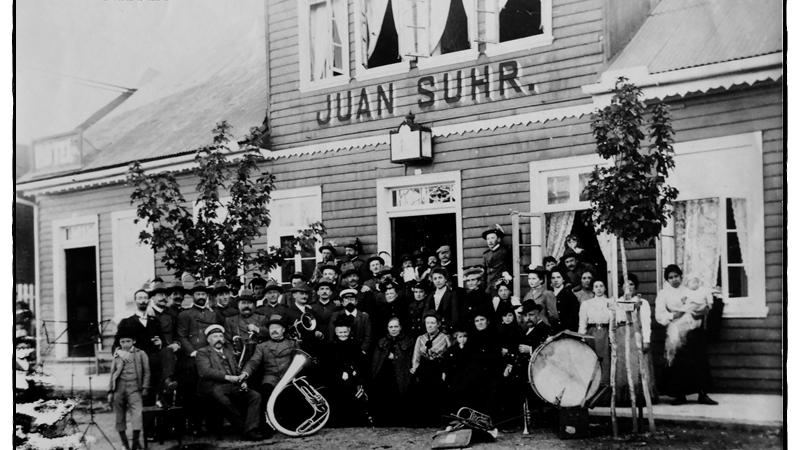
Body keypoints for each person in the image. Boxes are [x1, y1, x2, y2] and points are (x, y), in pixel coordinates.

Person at [655, 264, 717, 405]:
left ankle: (702, 394)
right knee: (679, 362)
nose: (674, 280)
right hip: (676, 328)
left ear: (681, 276)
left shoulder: (689, 289)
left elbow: (700, 302)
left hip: (693, 326)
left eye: (676, 276)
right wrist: (673, 315)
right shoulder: (664, 293)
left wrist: (700, 310)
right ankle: (680, 395)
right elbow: (659, 315)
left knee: (698, 360)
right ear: (667, 280)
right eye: (670, 277)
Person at [195, 325, 264, 441]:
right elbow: (205, 372)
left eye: (221, 336)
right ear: (208, 340)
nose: (218, 339)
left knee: (255, 396)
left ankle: (250, 429)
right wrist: (228, 377)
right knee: (222, 397)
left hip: (232, 386)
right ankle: (243, 429)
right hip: (213, 387)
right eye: (214, 336)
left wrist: (243, 381)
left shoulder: (228, 352)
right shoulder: (202, 352)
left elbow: (237, 370)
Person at [176, 279, 223, 431]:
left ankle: (212, 424)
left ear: (207, 296)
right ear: (193, 296)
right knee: (193, 391)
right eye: (198, 293)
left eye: (203, 293)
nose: (201, 296)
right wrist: (192, 351)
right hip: (193, 357)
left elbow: (219, 334)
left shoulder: (213, 314)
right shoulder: (185, 314)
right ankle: (194, 424)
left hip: (210, 356)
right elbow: (182, 336)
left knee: (213, 389)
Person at [241, 314, 299, 432]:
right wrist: (245, 373)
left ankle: (292, 423)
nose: (274, 330)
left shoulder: (293, 343)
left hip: (289, 377)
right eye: (271, 328)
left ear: (283, 330)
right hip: (270, 378)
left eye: (277, 328)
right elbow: (253, 362)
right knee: (266, 393)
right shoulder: (262, 346)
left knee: (294, 394)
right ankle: (269, 424)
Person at [113, 285, 164, 407]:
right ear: (135, 301)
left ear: (149, 301)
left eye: (145, 298)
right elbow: (116, 344)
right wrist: (119, 351)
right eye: (140, 298)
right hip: (135, 361)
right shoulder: (127, 322)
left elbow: (162, 340)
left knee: (152, 392)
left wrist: (160, 342)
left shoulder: (154, 321)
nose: (143, 300)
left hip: (152, 360)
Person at [616, 273, 658, 405]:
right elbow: (616, 320)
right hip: (622, 334)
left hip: (636, 334)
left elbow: (646, 322)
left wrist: (646, 339)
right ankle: (625, 397)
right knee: (624, 365)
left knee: (638, 365)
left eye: (631, 284)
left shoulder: (642, 302)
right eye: (626, 284)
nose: (628, 287)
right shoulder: (618, 302)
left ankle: (641, 396)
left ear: (636, 286)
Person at [108, 324, 150, 450]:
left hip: (134, 388)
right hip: (119, 387)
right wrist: (110, 390)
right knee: (119, 416)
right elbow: (112, 373)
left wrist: (145, 387)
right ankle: (125, 443)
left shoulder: (141, 354)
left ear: (134, 341)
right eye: (122, 341)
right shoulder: (117, 355)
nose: (125, 344)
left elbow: (147, 372)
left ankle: (135, 444)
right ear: (119, 342)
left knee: (137, 415)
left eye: (128, 341)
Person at [323, 315, 370, 427]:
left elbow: (360, 362)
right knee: (337, 401)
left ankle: (353, 422)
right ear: (336, 332)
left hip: (352, 379)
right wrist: (340, 373)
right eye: (340, 332)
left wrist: (354, 372)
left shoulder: (356, 345)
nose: (343, 335)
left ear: (349, 331)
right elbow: (328, 364)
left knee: (354, 400)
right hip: (336, 380)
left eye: (345, 332)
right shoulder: (330, 346)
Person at [370, 317, 414, 426]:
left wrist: (396, 358)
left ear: (400, 328)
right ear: (387, 328)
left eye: (396, 326)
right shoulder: (382, 341)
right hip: (385, 374)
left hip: (400, 375)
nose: (393, 329)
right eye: (391, 327)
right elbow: (376, 361)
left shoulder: (408, 341)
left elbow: (408, 359)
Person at [410, 312, 451, 426]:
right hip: (424, 369)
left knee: (437, 395)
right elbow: (416, 356)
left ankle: (437, 421)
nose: (430, 325)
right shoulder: (421, 338)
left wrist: (445, 371)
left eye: (432, 323)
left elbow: (450, 355)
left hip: (438, 369)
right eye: (428, 323)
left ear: (438, 324)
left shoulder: (445, 338)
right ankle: (423, 421)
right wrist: (415, 369)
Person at [578, 280, 613, 386]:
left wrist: (611, 336)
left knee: (605, 360)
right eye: (596, 286)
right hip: (591, 333)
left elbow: (612, 320)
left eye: (601, 286)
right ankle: (592, 389)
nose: (599, 288)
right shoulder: (587, 303)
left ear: (605, 288)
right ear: (593, 289)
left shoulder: (610, 302)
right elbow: (582, 322)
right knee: (592, 360)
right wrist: (582, 337)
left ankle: (604, 389)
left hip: (605, 333)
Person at [283, 282, 326, 355]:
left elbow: (321, 326)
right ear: (294, 295)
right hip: (297, 350)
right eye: (301, 293)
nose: (305, 296)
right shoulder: (287, 312)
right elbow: (284, 331)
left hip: (313, 349)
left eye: (306, 294)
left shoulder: (312, 311)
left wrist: (321, 334)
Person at [329, 288, 372, 355]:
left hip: (359, 351)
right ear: (342, 303)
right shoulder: (336, 315)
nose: (349, 301)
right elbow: (331, 335)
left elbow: (368, 336)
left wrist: (363, 350)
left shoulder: (364, 317)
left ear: (356, 301)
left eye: (352, 299)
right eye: (346, 299)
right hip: (340, 350)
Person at [425, 267, 459, 334]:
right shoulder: (431, 295)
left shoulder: (452, 294)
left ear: (445, 279)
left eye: (440, 277)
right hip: (433, 331)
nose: (438, 281)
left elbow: (455, 315)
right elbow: (426, 313)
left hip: (447, 330)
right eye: (435, 279)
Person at [481, 226, 513, 295]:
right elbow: (484, 274)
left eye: (492, 238)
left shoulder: (505, 252)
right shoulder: (486, 254)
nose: (490, 241)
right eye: (488, 239)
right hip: (489, 289)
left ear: (498, 239)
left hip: (501, 289)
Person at [458, 266, 492, 331]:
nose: (470, 283)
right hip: (468, 329)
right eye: (468, 281)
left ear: (479, 282)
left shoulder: (485, 296)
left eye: (473, 280)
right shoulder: (463, 296)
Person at [550, 268, 580, 332]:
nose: (556, 280)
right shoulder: (549, 294)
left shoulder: (569, 294)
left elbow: (574, 315)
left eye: (558, 277)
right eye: (553, 278)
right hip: (553, 330)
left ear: (563, 279)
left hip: (566, 330)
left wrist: (569, 328)